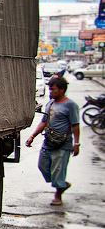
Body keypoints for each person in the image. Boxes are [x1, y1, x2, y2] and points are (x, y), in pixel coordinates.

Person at [25, 76, 80, 206]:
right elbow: (43, 122)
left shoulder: (70, 105)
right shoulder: (50, 104)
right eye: (49, 89)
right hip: (49, 142)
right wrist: (32, 136)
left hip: (63, 144)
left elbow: (75, 125)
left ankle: (58, 195)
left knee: (58, 170)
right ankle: (61, 184)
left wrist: (76, 144)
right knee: (43, 166)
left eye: (53, 89)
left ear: (62, 90)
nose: (50, 92)